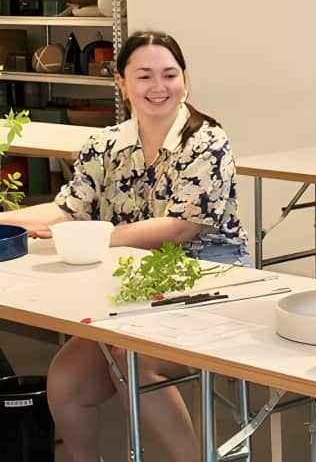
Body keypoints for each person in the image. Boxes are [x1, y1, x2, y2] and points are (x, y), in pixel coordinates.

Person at [0, 30, 251, 462]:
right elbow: (66, 211)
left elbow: (180, 228)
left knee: (135, 360)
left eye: (169, 74)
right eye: (144, 76)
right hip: (133, 290)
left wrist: (97, 235)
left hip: (213, 284)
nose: (159, 87)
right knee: (66, 381)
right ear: (121, 83)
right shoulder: (105, 144)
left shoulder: (207, 141)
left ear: (185, 79)